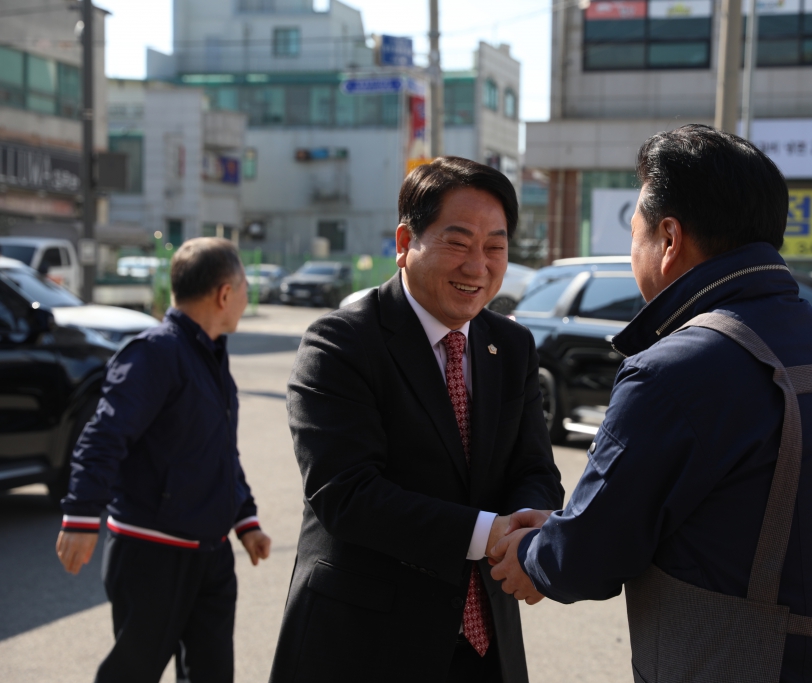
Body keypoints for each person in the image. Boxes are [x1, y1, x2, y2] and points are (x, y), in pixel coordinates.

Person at [489, 125, 812, 683]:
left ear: (668, 237)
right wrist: (560, 530)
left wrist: (535, 556)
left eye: (633, 230)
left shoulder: (678, 366)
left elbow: (590, 557)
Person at [269, 157, 563, 683]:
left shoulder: (511, 345)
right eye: (458, 242)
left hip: (484, 644)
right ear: (405, 242)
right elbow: (348, 494)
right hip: (363, 645)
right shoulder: (340, 343)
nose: (478, 266)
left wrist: (530, 534)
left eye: (495, 247)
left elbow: (534, 467)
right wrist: (488, 533)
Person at [56, 237, 272, 683]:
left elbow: (218, 451)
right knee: (131, 673)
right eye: (245, 287)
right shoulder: (155, 352)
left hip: (210, 554)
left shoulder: (209, 354)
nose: (247, 298)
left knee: (211, 674)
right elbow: (103, 436)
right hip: (151, 551)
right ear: (224, 294)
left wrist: (245, 519)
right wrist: (80, 514)